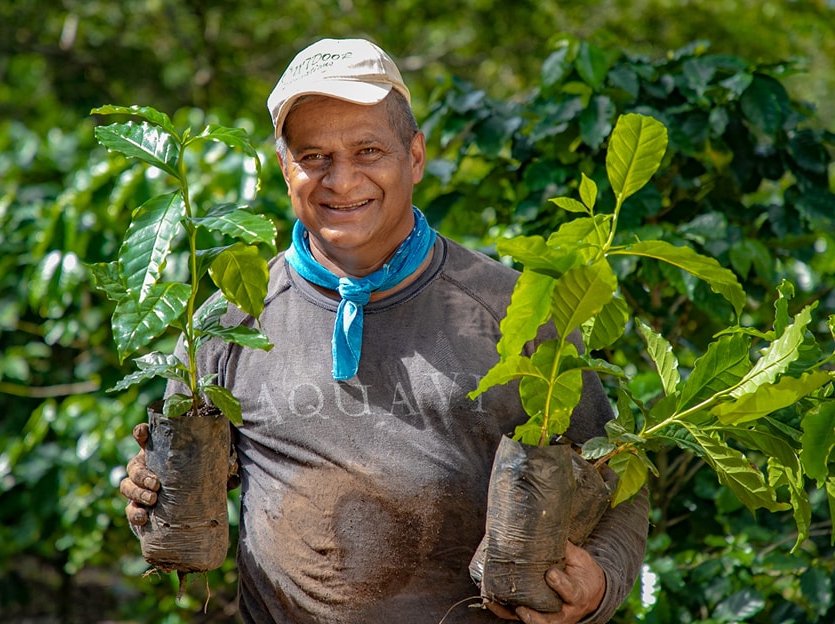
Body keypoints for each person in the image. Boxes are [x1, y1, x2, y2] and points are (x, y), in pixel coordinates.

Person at [120, 37, 649, 624]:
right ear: (284, 168)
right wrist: (150, 495)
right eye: (313, 156)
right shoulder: (230, 320)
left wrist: (598, 586)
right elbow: (177, 478)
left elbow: (616, 472)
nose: (341, 181)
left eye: (369, 150)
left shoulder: (514, 310)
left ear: (415, 157)